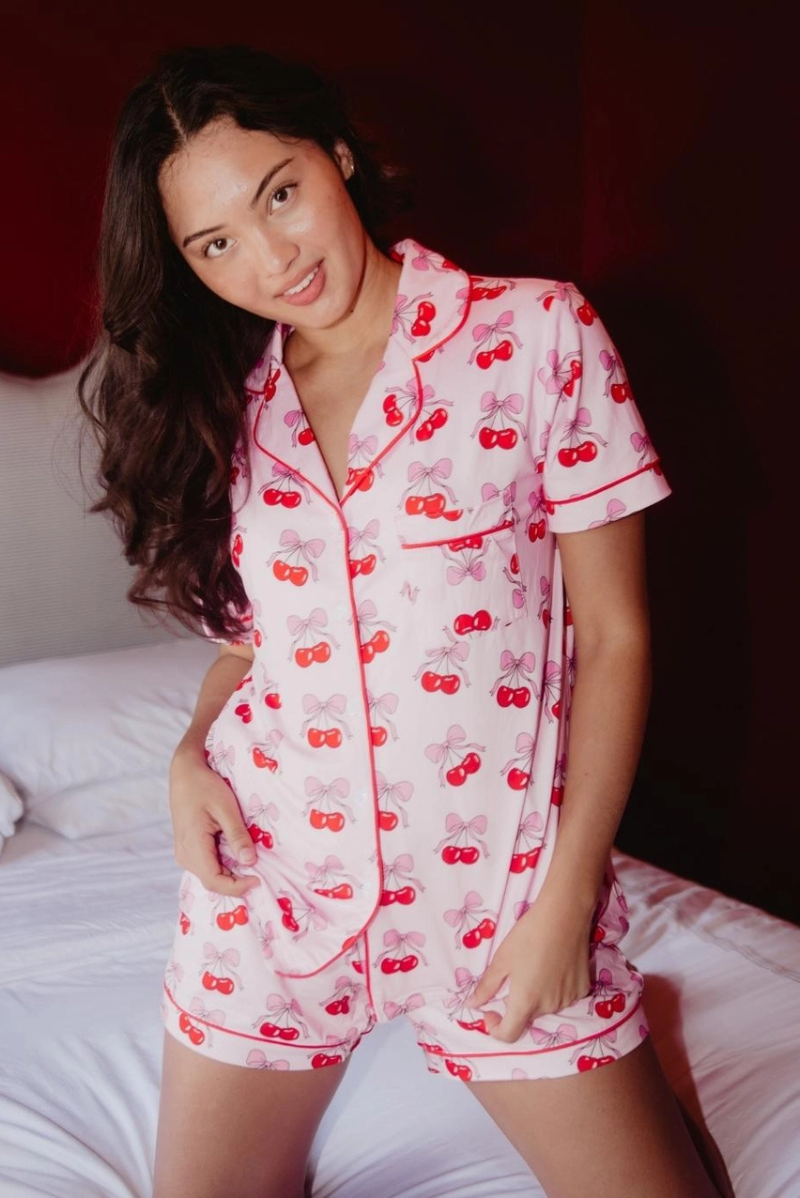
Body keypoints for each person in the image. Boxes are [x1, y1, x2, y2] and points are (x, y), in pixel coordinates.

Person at [78, 42, 734, 1198]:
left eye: (278, 194)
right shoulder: (231, 407)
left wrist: (567, 901)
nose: (270, 258)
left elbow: (612, 636)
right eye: (214, 244)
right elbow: (254, 639)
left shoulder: (536, 335)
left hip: (498, 898)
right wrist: (187, 754)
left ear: (336, 154)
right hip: (273, 890)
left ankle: (643, 1052)